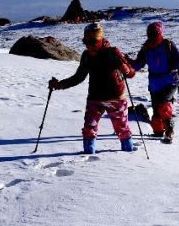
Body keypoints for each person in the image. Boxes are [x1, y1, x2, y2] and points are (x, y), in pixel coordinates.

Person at [48, 23, 137, 154]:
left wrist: (126, 69)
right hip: (95, 98)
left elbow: (131, 74)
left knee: (122, 129)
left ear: (101, 40)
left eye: (93, 42)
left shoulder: (113, 53)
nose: (89, 45)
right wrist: (59, 85)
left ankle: (128, 157)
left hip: (115, 98)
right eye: (86, 41)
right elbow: (79, 77)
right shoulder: (86, 56)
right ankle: (88, 157)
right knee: (89, 128)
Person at [127, 21, 179, 143]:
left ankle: (169, 130)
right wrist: (126, 61)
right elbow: (138, 65)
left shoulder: (168, 45)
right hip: (155, 84)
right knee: (156, 107)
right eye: (150, 34)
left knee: (162, 104)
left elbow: (177, 60)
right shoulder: (146, 48)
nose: (152, 37)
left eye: (154, 34)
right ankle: (158, 132)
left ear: (160, 33)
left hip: (170, 81)